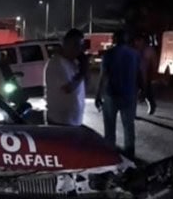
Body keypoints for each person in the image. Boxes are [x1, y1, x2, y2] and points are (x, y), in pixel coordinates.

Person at [95, 29, 143, 158]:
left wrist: (98, 95)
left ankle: (110, 154)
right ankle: (130, 153)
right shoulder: (135, 54)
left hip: (111, 95)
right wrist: (143, 91)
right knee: (129, 126)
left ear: (114, 39)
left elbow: (103, 76)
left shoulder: (109, 54)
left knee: (109, 128)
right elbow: (140, 74)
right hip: (129, 95)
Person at [44, 28, 86, 126]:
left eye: (80, 46)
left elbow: (85, 84)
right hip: (61, 122)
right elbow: (68, 88)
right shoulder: (57, 63)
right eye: (75, 45)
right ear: (66, 44)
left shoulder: (73, 63)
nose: (79, 49)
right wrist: (83, 72)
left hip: (73, 121)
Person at [134, 34, 158, 115]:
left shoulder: (149, 50)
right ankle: (132, 111)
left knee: (147, 92)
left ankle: (152, 104)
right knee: (134, 93)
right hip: (136, 74)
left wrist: (153, 73)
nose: (137, 43)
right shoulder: (135, 50)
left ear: (143, 41)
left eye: (138, 41)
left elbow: (154, 63)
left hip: (146, 74)